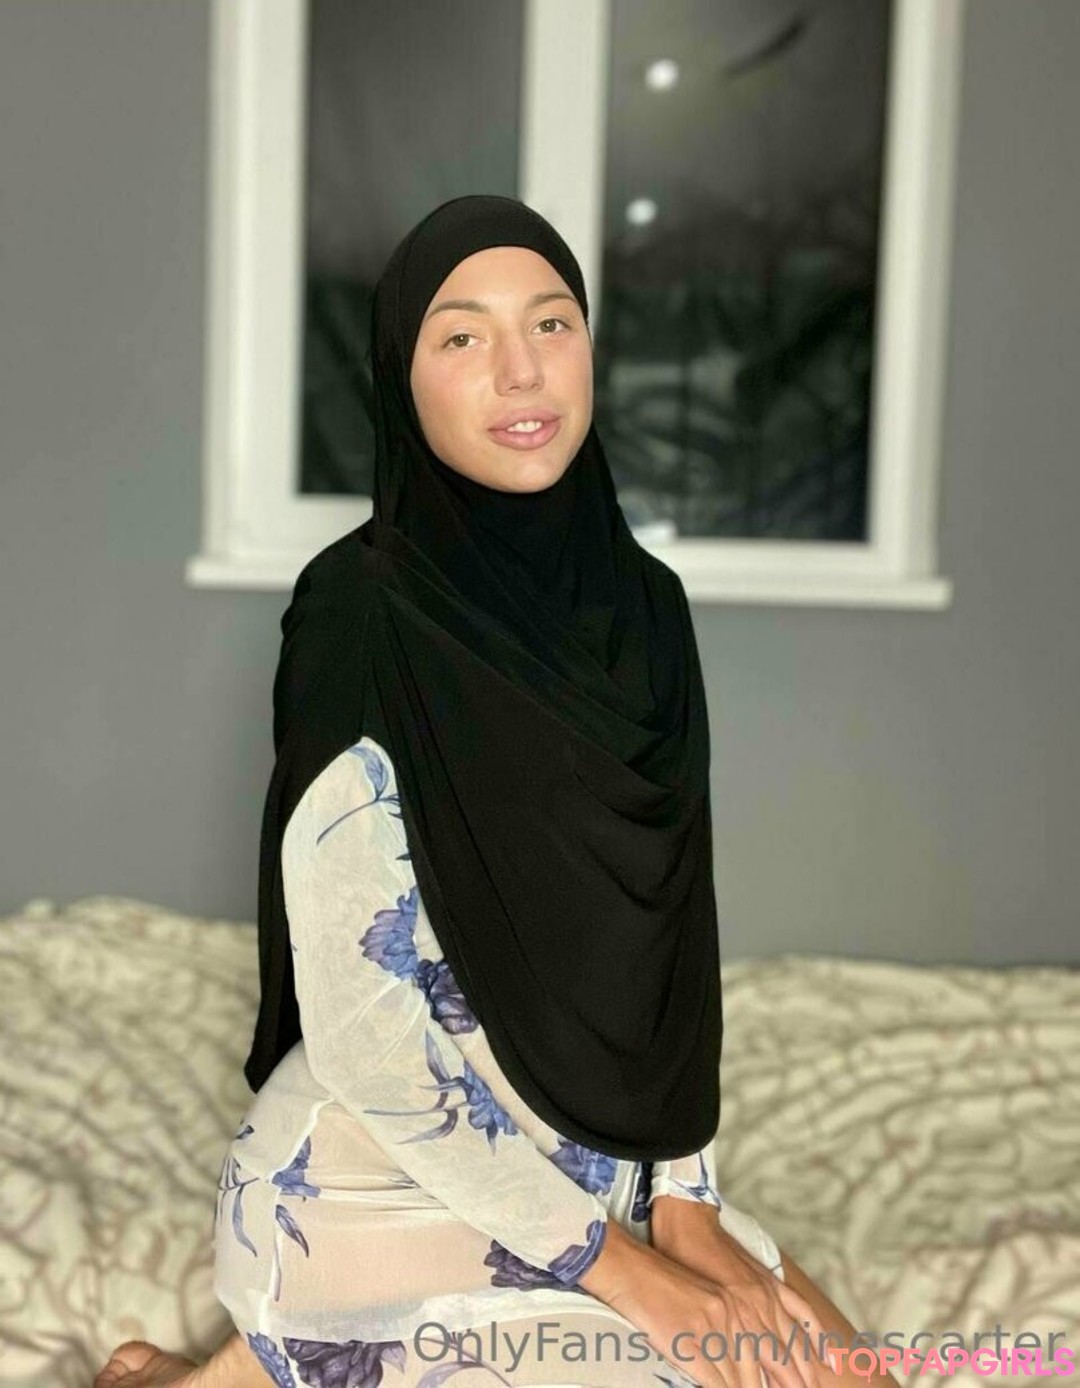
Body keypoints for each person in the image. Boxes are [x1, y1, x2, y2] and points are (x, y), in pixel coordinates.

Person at [96, 196, 897, 1388]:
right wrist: (636, 1280)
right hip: (377, 1180)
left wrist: (686, 1204)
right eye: (462, 335)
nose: (521, 371)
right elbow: (366, 1033)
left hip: (600, 1165)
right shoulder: (359, 614)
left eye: (552, 323)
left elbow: (673, 933)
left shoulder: (649, 610)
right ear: (401, 379)